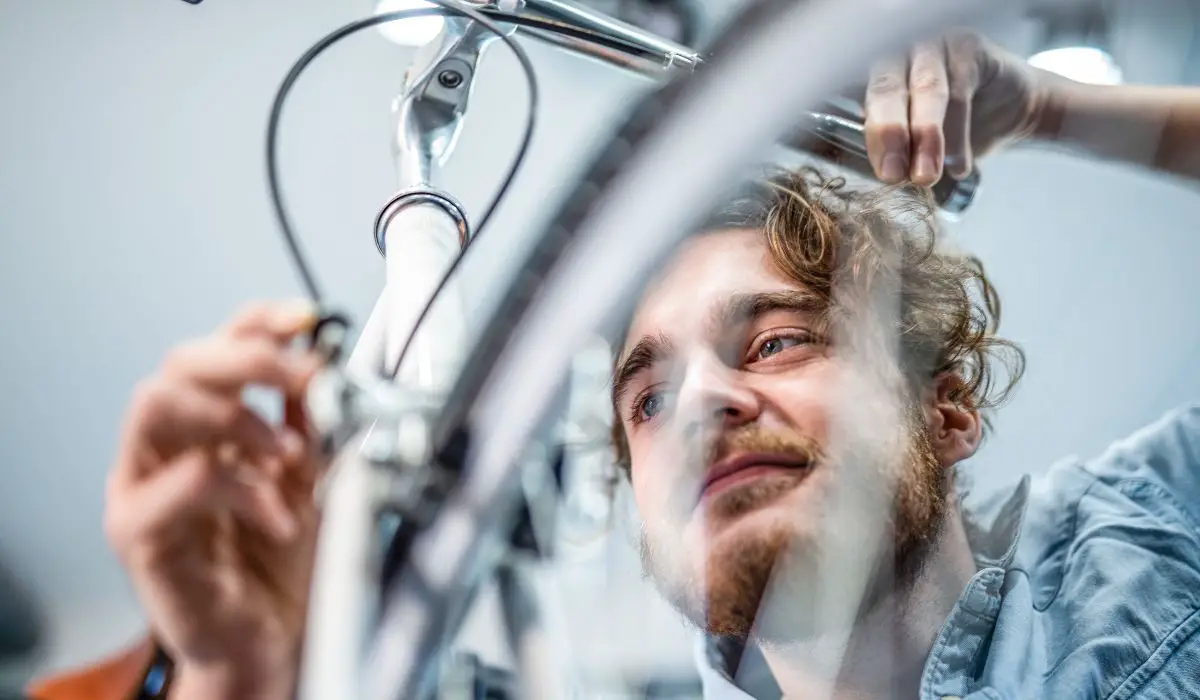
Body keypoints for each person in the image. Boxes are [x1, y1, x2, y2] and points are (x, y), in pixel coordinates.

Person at [27, 31, 1200, 700]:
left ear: (947, 407)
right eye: (648, 396)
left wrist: (1048, 110)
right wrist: (237, 674)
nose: (705, 408)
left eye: (777, 340)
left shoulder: (1148, 529)